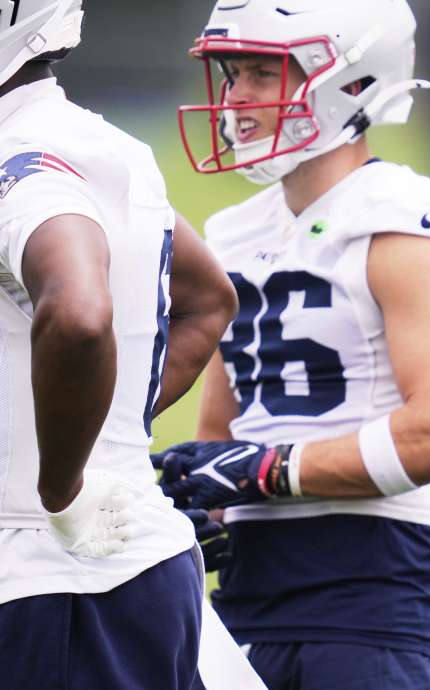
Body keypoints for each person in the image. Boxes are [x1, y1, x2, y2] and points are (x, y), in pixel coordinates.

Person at [156, 0, 430, 687]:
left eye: (260, 76)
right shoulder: (234, 233)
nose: (235, 99)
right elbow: (224, 434)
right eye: (232, 74)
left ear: (350, 83)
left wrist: (267, 471)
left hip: (377, 588)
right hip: (249, 594)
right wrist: (194, 494)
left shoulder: (407, 224)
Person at [0, 2, 240, 688]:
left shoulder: (22, 162)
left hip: (52, 579)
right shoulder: (93, 141)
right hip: (110, 566)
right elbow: (206, 300)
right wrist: (101, 430)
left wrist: (59, 485)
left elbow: (77, 315)